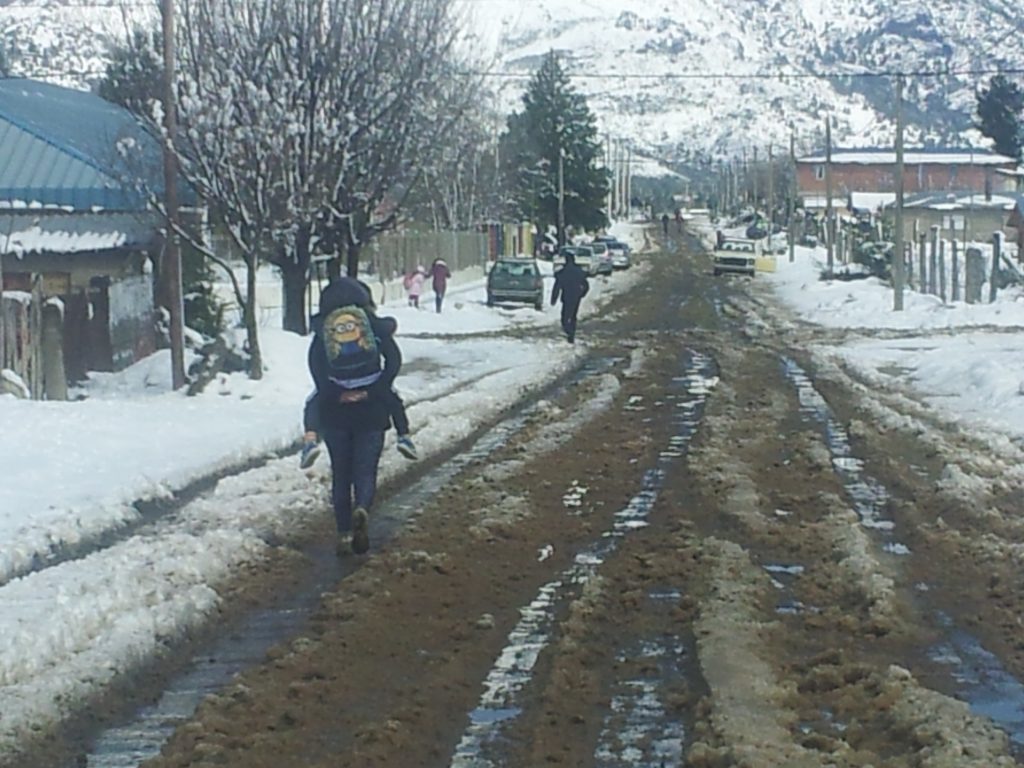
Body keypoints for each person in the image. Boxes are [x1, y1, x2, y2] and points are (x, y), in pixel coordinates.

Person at [306, 277, 404, 556]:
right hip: (372, 411)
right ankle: (361, 507)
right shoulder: (373, 327)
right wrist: (375, 389)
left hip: (335, 413)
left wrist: (337, 394)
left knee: (341, 473)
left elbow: (316, 369)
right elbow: (394, 361)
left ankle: (344, 534)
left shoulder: (325, 331)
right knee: (365, 470)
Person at [301, 284, 417, 469]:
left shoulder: (326, 327)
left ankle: (310, 439)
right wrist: (380, 386)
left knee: (312, 402)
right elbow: (393, 358)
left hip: (337, 384)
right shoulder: (368, 324)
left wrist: (332, 391)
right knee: (393, 398)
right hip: (371, 381)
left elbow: (315, 364)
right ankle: (403, 436)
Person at [550, 250, 590, 344]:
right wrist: (582, 293)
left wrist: (553, 299)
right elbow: (586, 285)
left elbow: (557, 287)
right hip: (576, 297)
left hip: (566, 297)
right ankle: (571, 333)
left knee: (565, 317)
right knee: (573, 316)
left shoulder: (562, 272)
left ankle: (568, 330)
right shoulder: (579, 271)